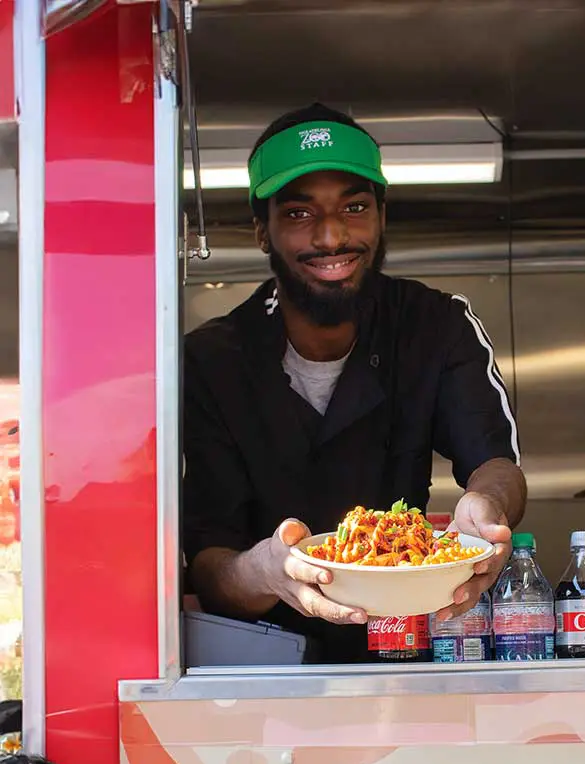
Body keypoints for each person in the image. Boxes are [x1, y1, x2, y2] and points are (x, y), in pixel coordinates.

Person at [182, 104, 525, 663]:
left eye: (355, 206)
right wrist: (267, 570)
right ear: (260, 232)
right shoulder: (211, 359)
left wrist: (487, 510)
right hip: (256, 671)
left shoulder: (436, 324)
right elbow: (209, 560)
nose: (332, 235)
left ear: (381, 216)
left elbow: (496, 463)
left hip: (405, 643)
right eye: (298, 212)